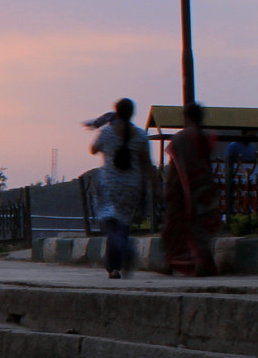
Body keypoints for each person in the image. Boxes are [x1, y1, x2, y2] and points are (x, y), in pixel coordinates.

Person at [90, 99, 150, 279]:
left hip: (109, 187)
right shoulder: (140, 135)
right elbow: (147, 164)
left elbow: (93, 149)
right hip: (132, 187)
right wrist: (154, 187)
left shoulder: (107, 132)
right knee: (122, 225)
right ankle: (114, 267)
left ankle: (124, 251)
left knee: (111, 226)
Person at [162, 102, 220, 276]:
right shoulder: (204, 136)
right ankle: (204, 263)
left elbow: (176, 168)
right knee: (199, 228)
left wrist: (169, 189)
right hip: (204, 188)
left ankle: (173, 263)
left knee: (174, 228)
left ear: (186, 117)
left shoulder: (181, 138)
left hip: (183, 190)